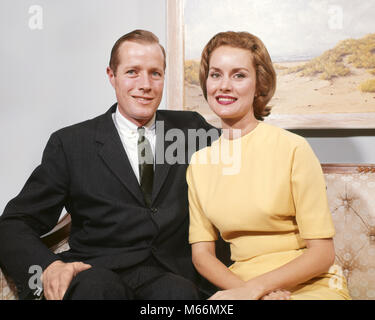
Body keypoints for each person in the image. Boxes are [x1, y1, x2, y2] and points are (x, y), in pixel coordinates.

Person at [0, 29, 218, 300]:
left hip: (171, 277)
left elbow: (245, 161)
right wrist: (48, 267)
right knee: (96, 288)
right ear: (111, 76)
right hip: (97, 273)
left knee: (177, 293)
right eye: (132, 72)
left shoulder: (191, 130)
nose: (145, 84)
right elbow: (15, 223)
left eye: (155, 73)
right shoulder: (71, 144)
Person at [187, 31, 351, 300]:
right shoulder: (199, 163)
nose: (224, 85)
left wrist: (260, 288)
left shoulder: (293, 148)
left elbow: (322, 254)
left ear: (259, 85)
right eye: (216, 74)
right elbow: (202, 256)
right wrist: (251, 292)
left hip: (311, 285)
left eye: (238, 75)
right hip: (240, 285)